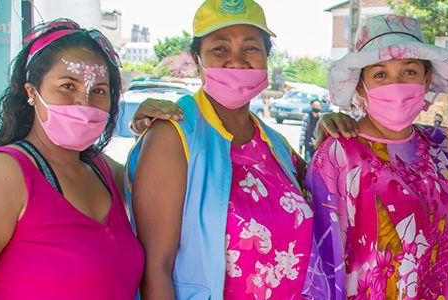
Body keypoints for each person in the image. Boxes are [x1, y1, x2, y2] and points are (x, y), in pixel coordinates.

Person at [0, 18, 181, 299]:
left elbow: (159, 187)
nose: (84, 102)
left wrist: (152, 134)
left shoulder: (102, 170)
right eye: (68, 86)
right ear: (32, 92)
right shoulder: (5, 173)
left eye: (99, 91)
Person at [127, 1, 335, 299]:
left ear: (266, 58)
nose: (236, 60)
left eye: (250, 48)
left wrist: (335, 130)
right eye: (220, 49)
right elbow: (155, 268)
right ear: (197, 60)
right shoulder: (174, 135)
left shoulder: (274, 143)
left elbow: (332, 194)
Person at [303, 15, 448, 299]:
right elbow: (322, 261)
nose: (395, 84)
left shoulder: (442, 147)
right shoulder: (339, 154)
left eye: (409, 72)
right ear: (361, 86)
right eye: (380, 74)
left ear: (426, 79)